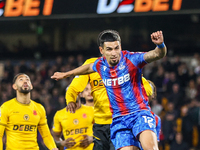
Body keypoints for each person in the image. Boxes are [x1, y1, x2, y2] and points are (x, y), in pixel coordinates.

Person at [51, 29, 167, 150]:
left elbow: (157, 54)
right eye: (109, 49)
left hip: (138, 114)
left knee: (150, 148)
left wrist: (160, 45)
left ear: (120, 46)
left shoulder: (132, 59)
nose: (114, 53)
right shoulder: (100, 65)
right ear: (102, 50)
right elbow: (86, 68)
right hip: (119, 120)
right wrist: (65, 74)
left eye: (117, 48)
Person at [0, 73, 58, 150]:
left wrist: (53, 148)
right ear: (14, 86)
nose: (25, 81)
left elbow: (46, 135)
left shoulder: (39, 108)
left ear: (31, 86)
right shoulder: (6, 107)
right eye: (21, 80)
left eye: (27, 79)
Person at [65, 59, 114, 150]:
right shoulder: (61, 114)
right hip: (100, 127)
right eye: (86, 89)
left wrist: (91, 138)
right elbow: (73, 88)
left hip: (117, 120)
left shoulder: (124, 61)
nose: (90, 92)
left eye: (91, 89)